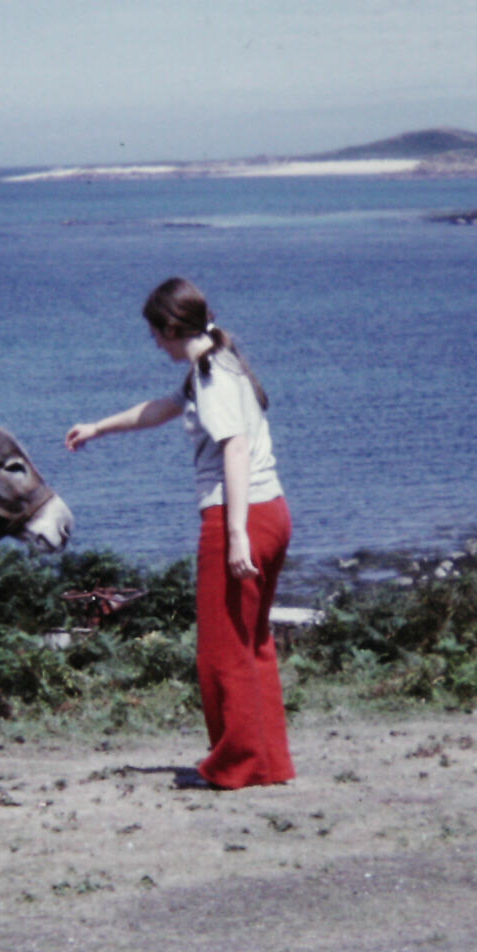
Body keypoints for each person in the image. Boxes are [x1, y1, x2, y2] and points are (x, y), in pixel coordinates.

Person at [65, 278, 294, 789]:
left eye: (156, 336)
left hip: (240, 515)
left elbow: (234, 447)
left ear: (172, 327)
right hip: (273, 510)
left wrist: (234, 533)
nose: (156, 345)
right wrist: (99, 427)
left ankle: (236, 764)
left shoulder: (212, 375)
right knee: (253, 642)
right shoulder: (216, 365)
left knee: (221, 649)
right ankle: (266, 762)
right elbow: (165, 408)